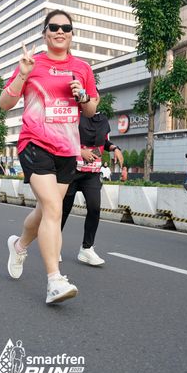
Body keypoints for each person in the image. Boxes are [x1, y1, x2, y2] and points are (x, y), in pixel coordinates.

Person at [0, 9, 98, 304]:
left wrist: (82, 96)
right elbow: (5, 103)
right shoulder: (32, 64)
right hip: (35, 143)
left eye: (65, 28)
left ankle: (19, 245)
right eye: (53, 27)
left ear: (71, 34)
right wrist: (23, 75)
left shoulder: (82, 68)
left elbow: (91, 110)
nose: (59, 32)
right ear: (45, 33)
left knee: (46, 211)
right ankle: (55, 280)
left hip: (67, 149)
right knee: (55, 207)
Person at [60, 112, 123, 266]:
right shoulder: (74, 114)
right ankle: (53, 245)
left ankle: (86, 249)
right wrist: (81, 152)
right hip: (71, 171)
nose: (93, 101)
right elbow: (62, 138)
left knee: (94, 208)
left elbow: (103, 142)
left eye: (96, 99)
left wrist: (115, 148)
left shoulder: (102, 119)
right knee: (63, 211)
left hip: (92, 173)